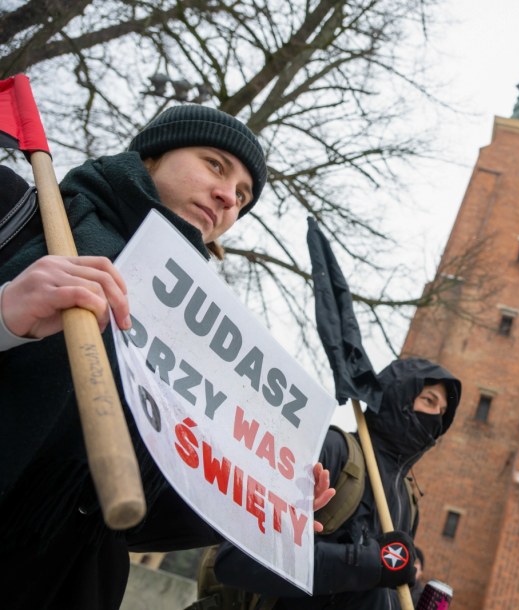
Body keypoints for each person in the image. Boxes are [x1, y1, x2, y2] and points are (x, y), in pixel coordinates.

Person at [0, 104, 338, 610]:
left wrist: (252, 502)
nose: (228, 198)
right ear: (153, 156)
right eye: (216, 165)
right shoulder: (19, 212)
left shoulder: (197, 339)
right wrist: (5, 317)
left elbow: (133, 519)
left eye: (243, 197)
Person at [211, 357, 462, 610]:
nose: (436, 419)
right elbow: (237, 559)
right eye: (429, 401)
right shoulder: (335, 451)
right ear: (399, 399)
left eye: (442, 413)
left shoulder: (408, 499)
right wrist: (367, 563)